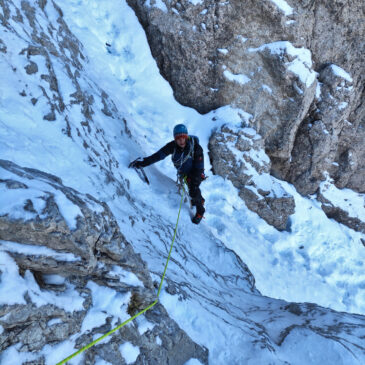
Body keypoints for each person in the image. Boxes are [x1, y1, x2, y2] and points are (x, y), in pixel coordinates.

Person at [129, 124, 206, 224]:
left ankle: (200, 210)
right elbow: (158, 156)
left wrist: (194, 178)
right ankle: (199, 199)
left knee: (193, 189)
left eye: (184, 137)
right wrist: (143, 163)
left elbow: (199, 166)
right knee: (192, 190)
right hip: (184, 172)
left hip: (196, 171)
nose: (181, 141)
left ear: (187, 137)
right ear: (175, 139)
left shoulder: (195, 147)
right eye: (178, 138)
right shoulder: (172, 146)